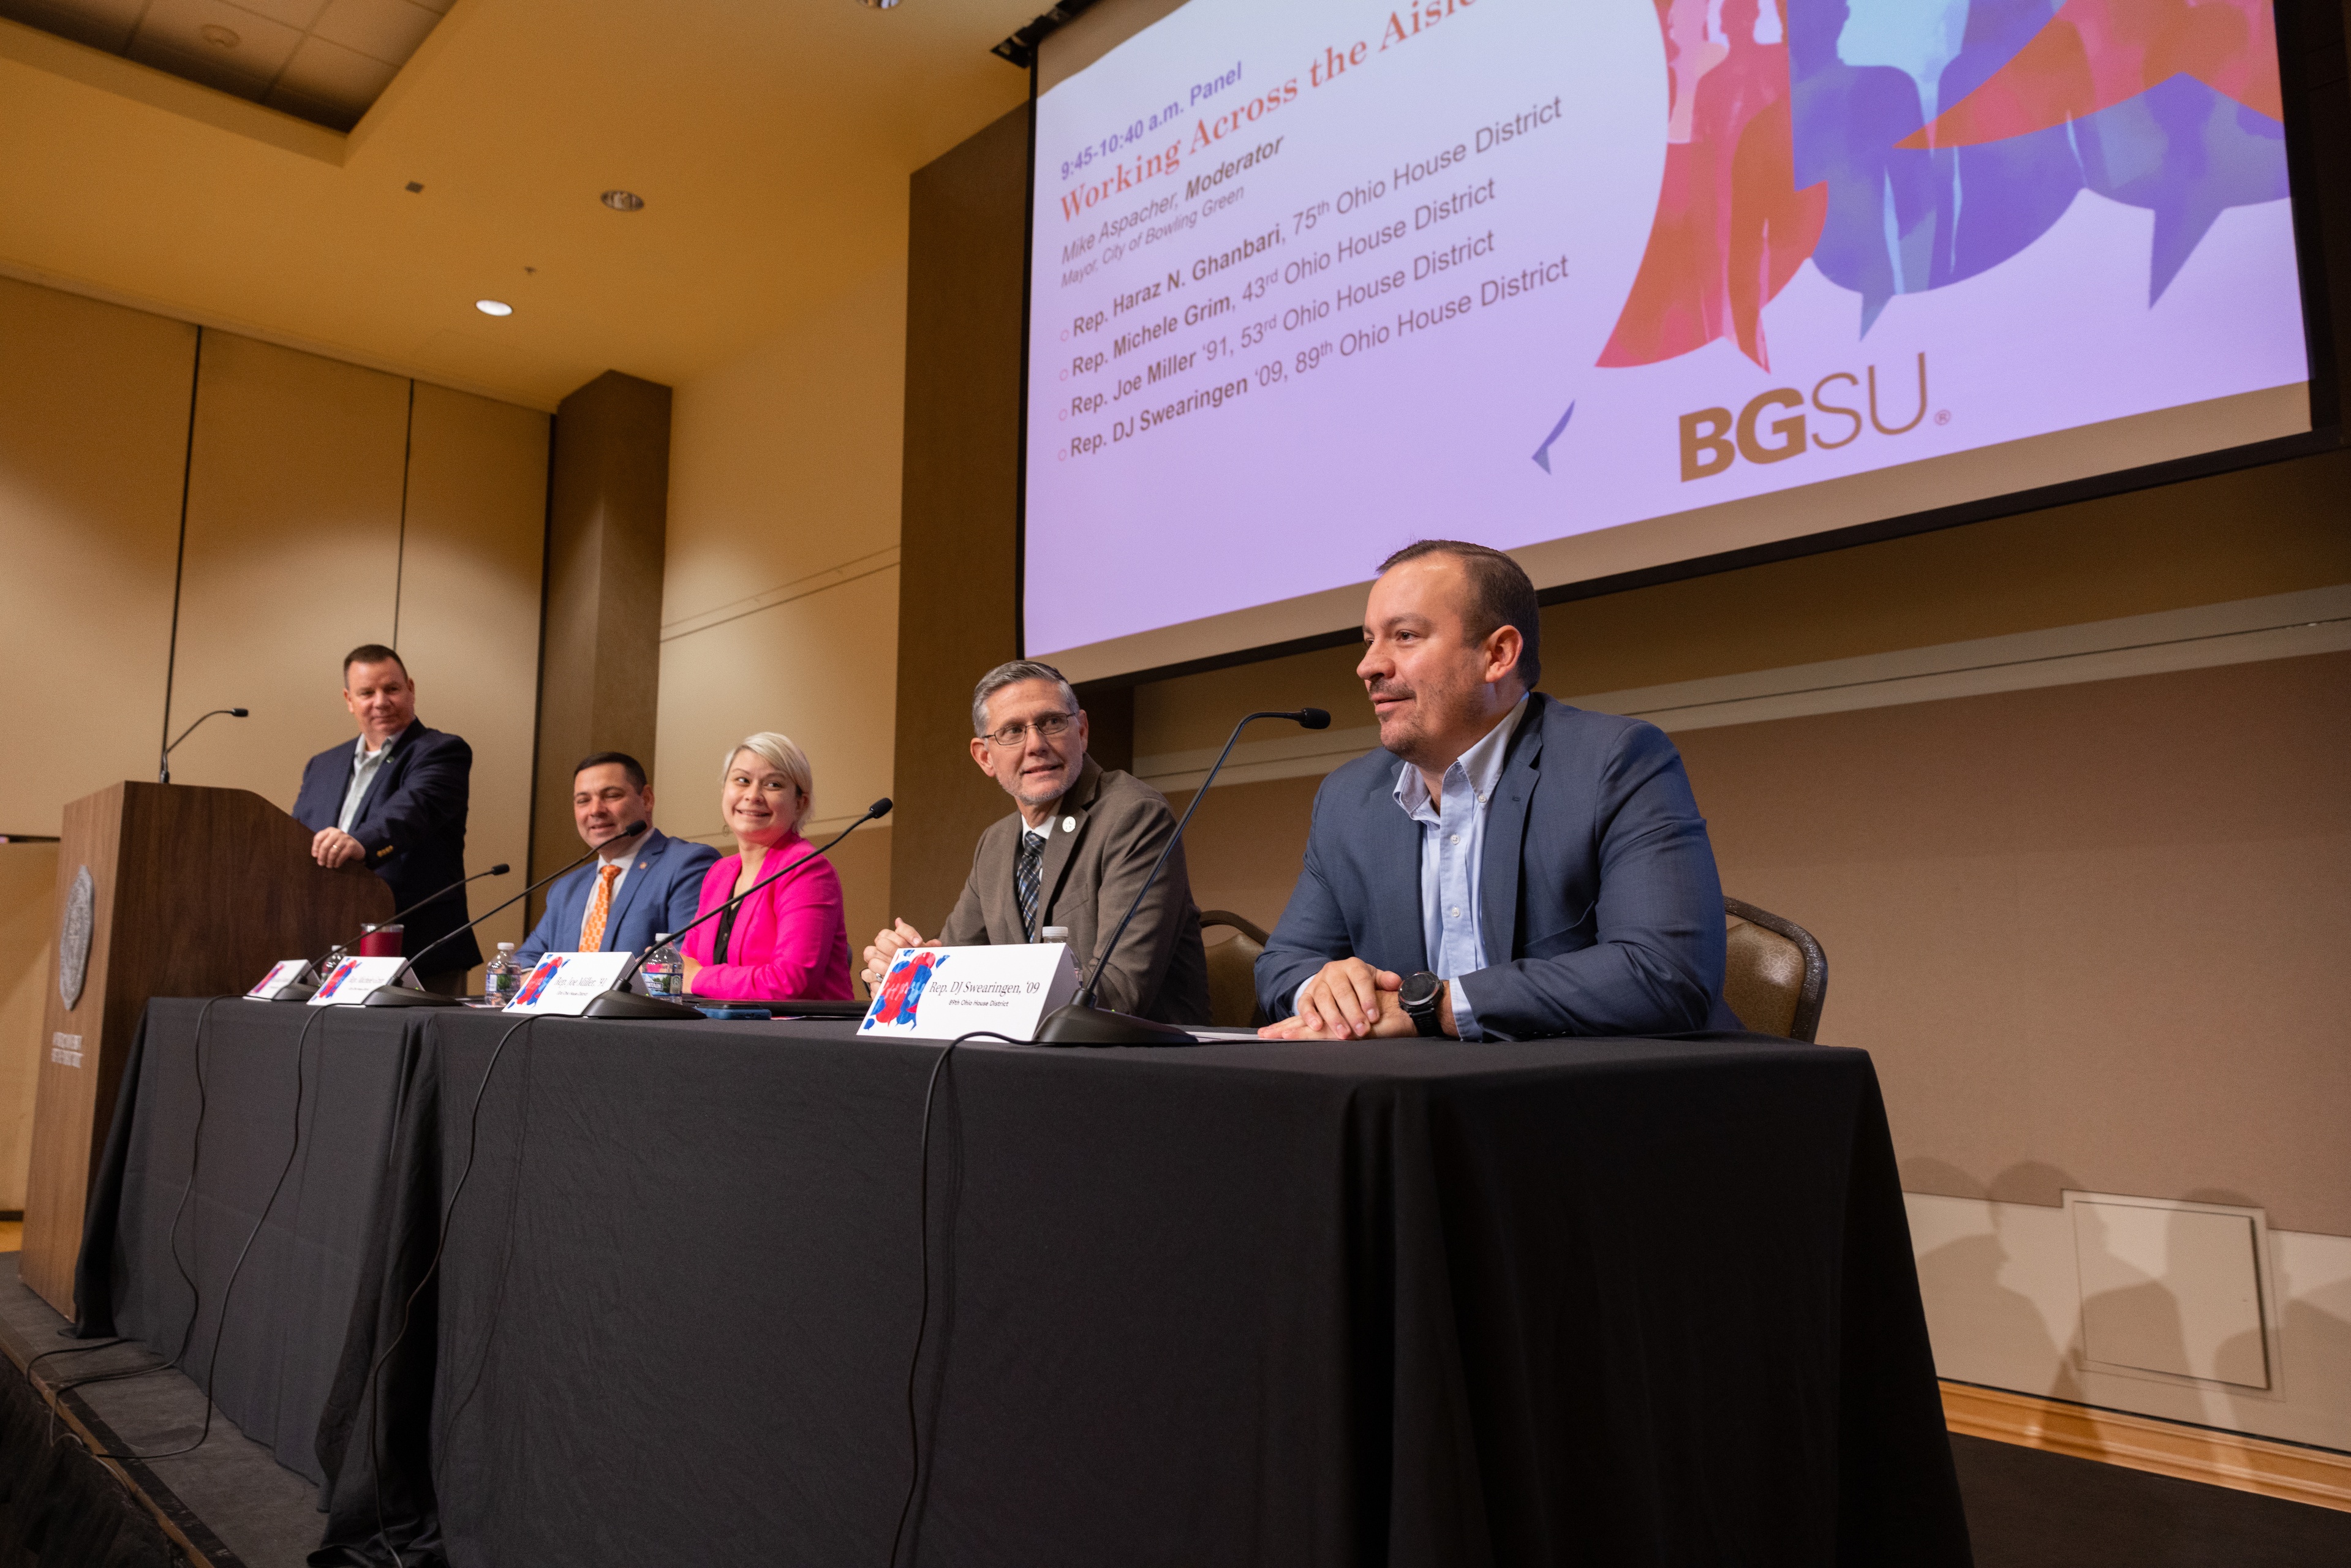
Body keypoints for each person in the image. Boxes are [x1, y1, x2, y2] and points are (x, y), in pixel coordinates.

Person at [1256, 541, 1739, 1041]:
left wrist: (1432, 1009)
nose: (1369, 666)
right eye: (1369, 641)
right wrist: (1329, 991)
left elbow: (1665, 975)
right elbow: (1283, 964)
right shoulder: (1347, 798)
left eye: (1404, 636)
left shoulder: (1613, 762)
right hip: (1429, 1101)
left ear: (1498, 654)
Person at [861, 660, 1210, 1025]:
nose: (1036, 745)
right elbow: (956, 960)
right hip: (1033, 1059)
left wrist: (983, 996)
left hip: (1142, 1065)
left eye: (1052, 723)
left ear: (1083, 731)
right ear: (985, 757)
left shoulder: (1135, 817)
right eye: (1012, 731)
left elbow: (1118, 993)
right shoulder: (996, 844)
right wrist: (906, 972)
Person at [292, 644, 478, 995]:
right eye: (367, 692)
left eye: (391, 689)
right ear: (349, 700)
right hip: (328, 948)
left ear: (410, 689)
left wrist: (360, 843)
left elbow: (412, 810)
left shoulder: (442, 751)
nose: (381, 701)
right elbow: (299, 836)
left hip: (418, 950)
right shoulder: (323, 765)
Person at [679, 733, 854, 1000]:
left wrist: (699, 978)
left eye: (773, 785)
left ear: (800, 803)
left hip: (800, 1036)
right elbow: (685, 964)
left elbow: (790, 982)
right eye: (742, 781)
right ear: (724, 790)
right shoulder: (719, 873)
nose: (753, 795)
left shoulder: (808, 869)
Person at [512, 752, 720, 970]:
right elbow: (524, 963)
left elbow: (683, 964)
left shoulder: (687, 864)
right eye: (583, 801)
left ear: (647, 799)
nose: (595, 811)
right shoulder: (567, 888)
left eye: (611, 796)